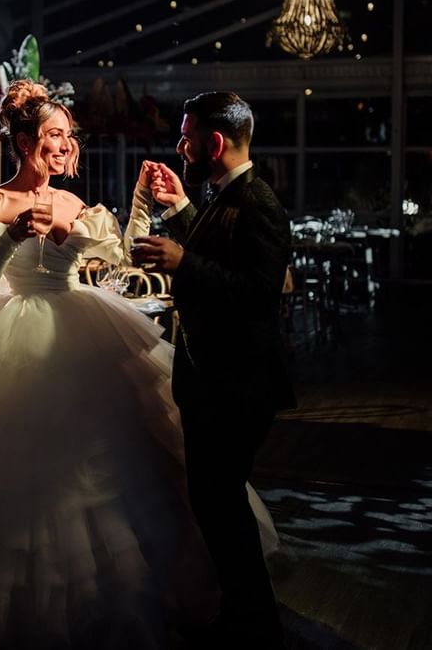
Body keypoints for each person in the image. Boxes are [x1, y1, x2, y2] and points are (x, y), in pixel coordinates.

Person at [0, 81, 238, 649]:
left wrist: (140, 204)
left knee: (102, 465)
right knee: (10, 470)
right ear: (22, 140)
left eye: (68, 136)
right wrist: (13, 235)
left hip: (77, 326)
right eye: (53, 135)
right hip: (11, 334)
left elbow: (117, 260)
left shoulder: (74, 204)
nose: (64, 146)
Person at [131, 91, 294, 648]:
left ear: (214, 143)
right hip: (216, 382)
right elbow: (220, 246)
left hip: (239, 386)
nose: (181, 146)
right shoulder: (230, 195)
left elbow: (257, 292)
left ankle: (254, 625)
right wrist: (180, 211)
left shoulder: (261, 204)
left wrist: (182, 262)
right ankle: (246, 616)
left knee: (222, 509)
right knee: (216, 505)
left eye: (187, 136)